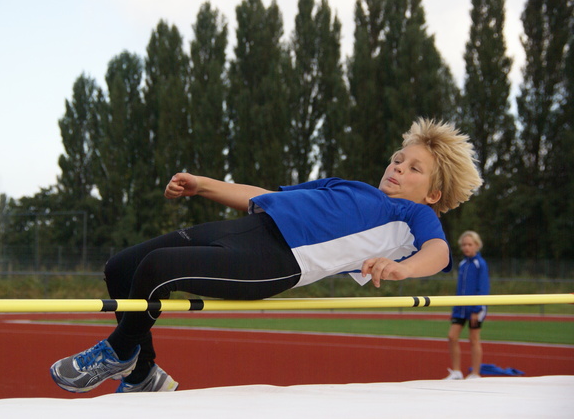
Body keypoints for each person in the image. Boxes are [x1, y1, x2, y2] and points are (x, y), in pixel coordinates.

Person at [50, 118, 482, 393]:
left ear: (433, 193)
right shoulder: (347, 186)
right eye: (398, 159)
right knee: (121, 266)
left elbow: (439, 253)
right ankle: (142, 373)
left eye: (413, 169)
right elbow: (267, 197)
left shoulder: (411, 216)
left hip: (277, 260)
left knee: (157, 270)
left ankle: (120, 351)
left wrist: (401, 268)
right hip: (248, 229)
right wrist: (204, 184)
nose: (398, 168)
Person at [444, 230, 490, 380]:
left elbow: (483, 288)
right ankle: (457, 371)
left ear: (477, 245)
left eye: (469, 244)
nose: (466, 247)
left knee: (474, 339)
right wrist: (455, 308)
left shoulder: (480, 264)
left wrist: (477, 309)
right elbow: (460, 289)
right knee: (452, 336)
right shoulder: (463, 264)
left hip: (475, 308)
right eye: (464, 245)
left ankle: (475, 373)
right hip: (460, 308)